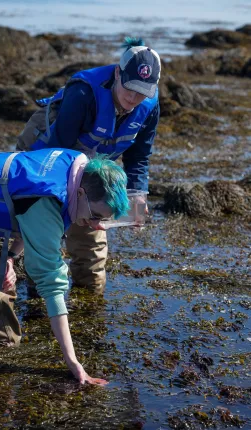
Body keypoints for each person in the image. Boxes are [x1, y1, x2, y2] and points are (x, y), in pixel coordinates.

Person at [0, 148, 129, 384]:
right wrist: (73, 361)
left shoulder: (77, 167)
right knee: (0, 319)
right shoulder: (49, 201)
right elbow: (52, 287)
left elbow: (24, 211)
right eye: (96, 216)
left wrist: (10, 256)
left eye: (103, 220)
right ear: (81, 193)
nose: (97, 227)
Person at [17, 37, 161, 293]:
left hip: (91, 162)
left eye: (142, 91)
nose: (134, 96)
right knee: (44, 232)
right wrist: (78, 206)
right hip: (48, 153)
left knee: (92, 251)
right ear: (118, 73)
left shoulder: (149, 107)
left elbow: (139, 156)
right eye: (130, 87)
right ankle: (37, 296)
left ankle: (89, 300)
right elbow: (58, 153)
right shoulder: (83, 93)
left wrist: (138, 194)